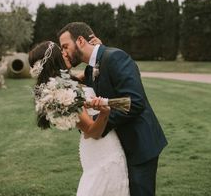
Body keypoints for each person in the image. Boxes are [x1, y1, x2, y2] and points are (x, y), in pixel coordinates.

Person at [58, 22, 168, 196]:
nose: (63, 52)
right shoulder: (91, 68)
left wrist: (100, 124)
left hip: (139, 143)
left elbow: (135, 102)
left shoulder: (115, 57)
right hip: (119, 147)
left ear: (80, 41)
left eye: (65, 46)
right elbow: (76, 81)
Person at [28, 41, 130, 196]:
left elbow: (92, 71)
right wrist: (104, 113)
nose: (65, 53)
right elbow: (91, 131)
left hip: (102, 145)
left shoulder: (67, 82)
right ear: (55, 59)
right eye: (61, 51)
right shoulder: (60, 93)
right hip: (100, 147)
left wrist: (98, 50)